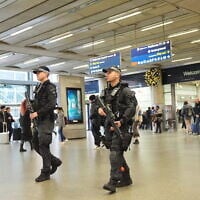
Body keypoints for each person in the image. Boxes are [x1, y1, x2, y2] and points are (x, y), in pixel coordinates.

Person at [98, 66, 137, 193]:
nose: (107, 75)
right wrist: (99, 110)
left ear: (118, 74)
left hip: (122, 126)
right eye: (106, 73)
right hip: (109, 127)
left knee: (115, 153)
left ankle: (113, 181)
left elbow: (132, 107)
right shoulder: (105, 92)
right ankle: (126, 178)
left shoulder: (125, 91)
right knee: (117, 153)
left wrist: (122, 120)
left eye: (110, 72)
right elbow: (98, 106)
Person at [30, 66, 62, 182]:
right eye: (36, 73)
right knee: (35, 144)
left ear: (46, 73)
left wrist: (37, 113)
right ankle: (54, 161)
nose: (37, 74)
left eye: (39, 72)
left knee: (43, 145)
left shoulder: (50, 87)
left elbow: (51, 104)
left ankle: (46, 171)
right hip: (38, 120)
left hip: (46, 120)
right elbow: (38, 103)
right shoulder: (38, 87)